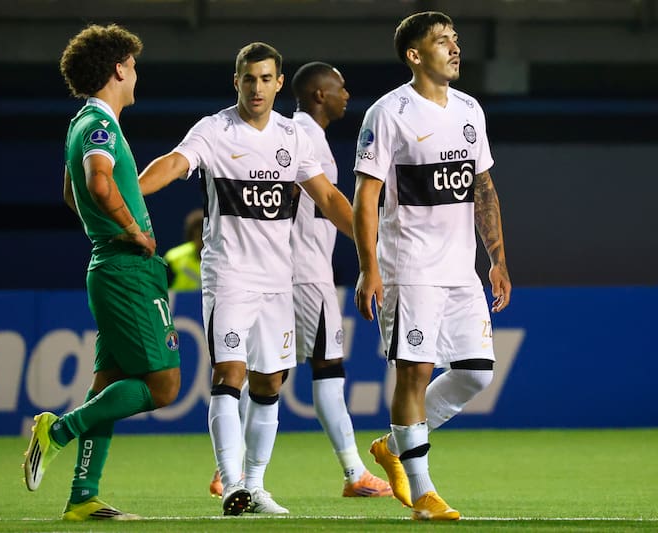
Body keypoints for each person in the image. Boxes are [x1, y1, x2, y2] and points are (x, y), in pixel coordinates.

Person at [138, 42, 354, 516]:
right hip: (229, 277)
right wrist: (130, 192)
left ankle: (254, 486)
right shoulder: (215, 131)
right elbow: (174, 163)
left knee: (270, 382)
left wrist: (370, 242)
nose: (257, 87)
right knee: (229, 374)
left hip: (279, 281)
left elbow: (327, 197)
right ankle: (232, 482)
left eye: (266, 79)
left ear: (279, 84)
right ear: (236, 82)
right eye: (249, 79)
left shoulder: (292, 137)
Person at [207, 61, 393, 500]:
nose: (347, 95)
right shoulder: (302, 135)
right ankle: (354, 472)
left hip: (287, 272)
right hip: (306, 273)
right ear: (319, 94)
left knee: (269, 375)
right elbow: (315, 197)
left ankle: (230, 468)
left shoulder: (298, 133)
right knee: (327, 368)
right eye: (340, 87)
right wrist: (375, 249)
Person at [352, 11, 512, 521]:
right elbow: (366, 196)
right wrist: (369, 267)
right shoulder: (388, 113)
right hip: (410, 266)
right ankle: (422, 493)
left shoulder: (469, 109)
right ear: (415, 55)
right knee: (415, 372)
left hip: (461, 269)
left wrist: (497, 259)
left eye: (455, 39)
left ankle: (393, 446)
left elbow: (481, 186)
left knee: (476, 373)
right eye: (442, 41)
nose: (455, 47)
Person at [22, 23, 181, 521]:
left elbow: (71, 192)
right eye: (132, 65)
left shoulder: (81, 123)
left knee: (108, 385)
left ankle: (82, 497)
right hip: (127, 271)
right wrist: (132, 230)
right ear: (118, 69)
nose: (136, 73)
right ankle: (58, 431)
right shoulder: (101, 125)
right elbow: (96, 183)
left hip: (110, 266)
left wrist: (102, 228)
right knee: (164, 386)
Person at [164, 208, 204, 291]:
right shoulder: (173, 258)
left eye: (206, 237)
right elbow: (161, 288)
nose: (202, 241)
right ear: (191, 235)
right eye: (198, 236)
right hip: (177, 299)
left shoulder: (223, 258)